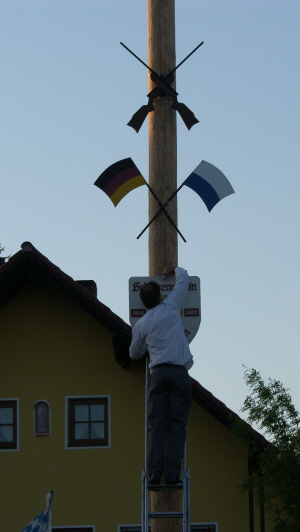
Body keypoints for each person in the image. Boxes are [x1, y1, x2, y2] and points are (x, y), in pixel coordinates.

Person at [130, 264, 193, 486]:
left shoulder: (142, 324)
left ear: (143, 301)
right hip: (178, 372)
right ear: (160, 296)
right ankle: (173, 475)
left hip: (157, 373)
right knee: (177, 426)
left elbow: (134, 353)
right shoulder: (172, 306)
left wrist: (148, 345)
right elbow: (183, 279)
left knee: (157, 426)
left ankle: (155, 474)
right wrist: (173, 269)